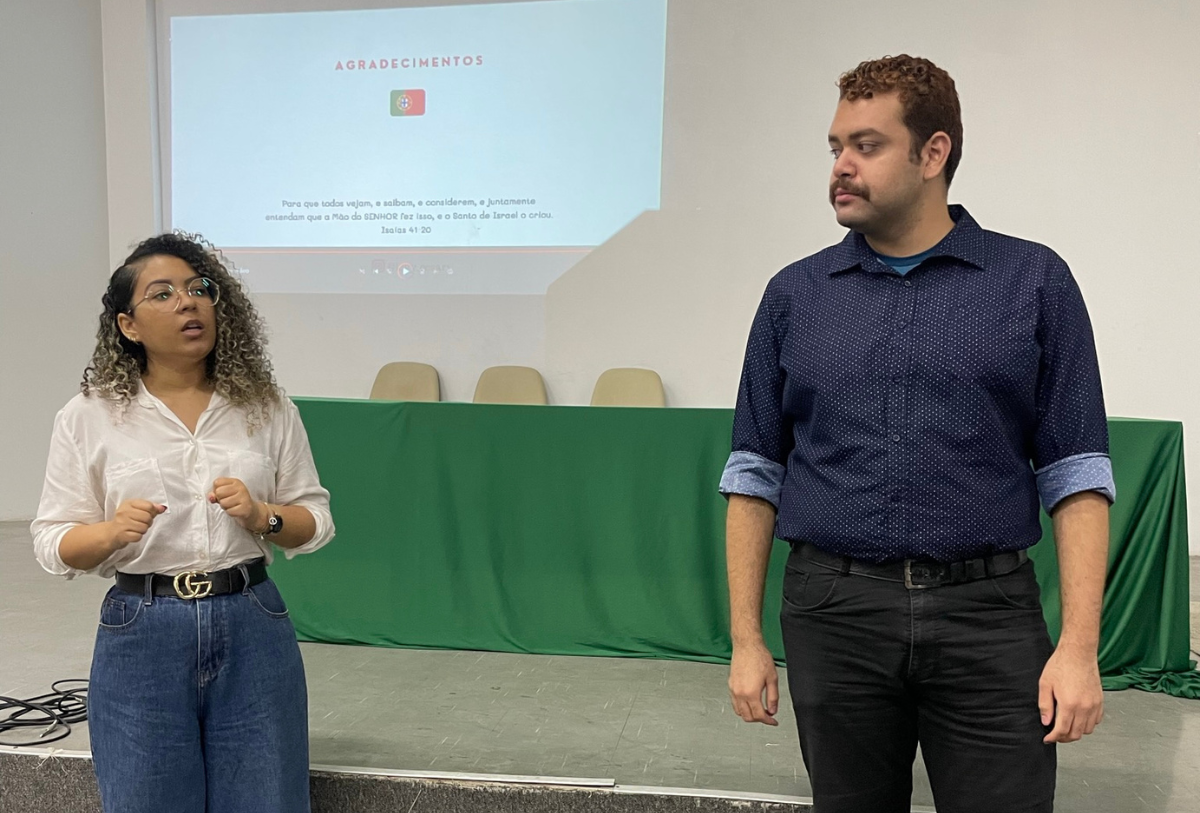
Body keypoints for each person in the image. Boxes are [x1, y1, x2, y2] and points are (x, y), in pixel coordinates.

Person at [721, 55, 1111, 813]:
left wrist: (1080, 647)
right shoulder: (794, 295)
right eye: (835, 147)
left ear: (934, 154)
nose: (840, 166)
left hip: (988, 615)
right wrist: (744, 639)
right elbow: (753, 473)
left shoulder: (1032, 282)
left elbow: (1076, 472)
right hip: (834, 613)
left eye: (866, 145)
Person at [31, 233, 335, 813]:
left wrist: (263, 515)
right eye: (163, 294)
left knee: (268, 799)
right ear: (128, 326)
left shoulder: (266, 406)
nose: (188, 303)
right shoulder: (89, 415)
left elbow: (314, 522)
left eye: (199, 289)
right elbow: (52, 542)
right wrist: (109, 533)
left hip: (252, 621)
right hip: (142, 629)